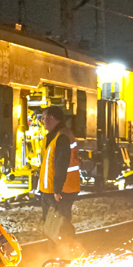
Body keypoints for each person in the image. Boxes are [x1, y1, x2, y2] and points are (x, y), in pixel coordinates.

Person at [38, 105, 82, 256]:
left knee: (59, 227)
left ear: (51, 118)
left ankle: (63, 258)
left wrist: (57, 190)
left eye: (43, 118)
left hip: (60, 191)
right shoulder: (56, 135)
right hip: (52, 190)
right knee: (53, 227)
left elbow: (61, 165)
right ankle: (58, 259)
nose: (42, 121)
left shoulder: (61, 137)